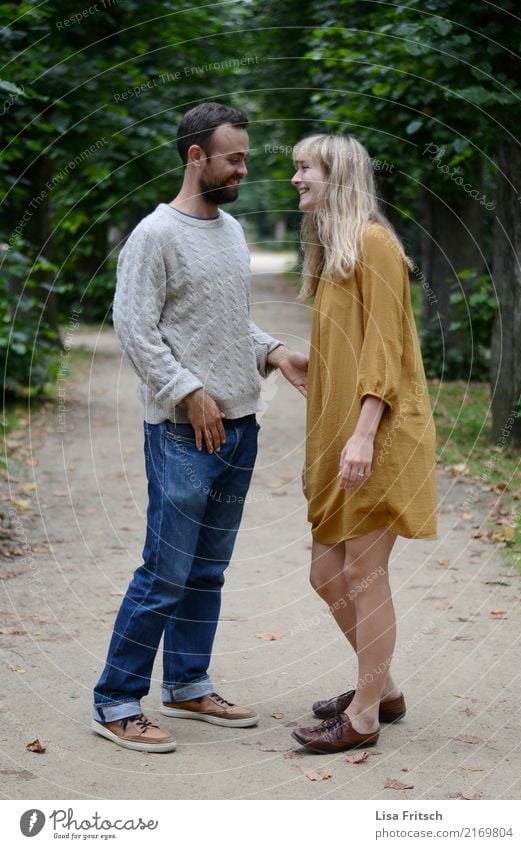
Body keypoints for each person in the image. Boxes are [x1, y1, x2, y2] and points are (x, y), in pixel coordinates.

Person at [92, 102, 308, 753]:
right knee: (165, 571)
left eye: (244, 155)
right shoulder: (155, 235)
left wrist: (271, 350)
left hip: (240, 428)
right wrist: (187, 392)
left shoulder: (232, 230)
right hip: (183, 434)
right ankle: (115, 699)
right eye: (233, 157)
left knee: (207, 572)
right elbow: (134, 325)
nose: (244, 166)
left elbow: (223, 321)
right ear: (196, 157)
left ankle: (187, 683)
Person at [289, 134, 437, 754]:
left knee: (362, 572)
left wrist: (362, 436)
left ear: (338, 175)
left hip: (379, 431)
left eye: (305, 169)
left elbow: (385, 349)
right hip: (345, 432)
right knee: (329, 573)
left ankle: (365, 716)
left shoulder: (374, 244)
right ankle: (383, 688)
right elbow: (348, 347)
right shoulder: (336, 249)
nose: (296, 178)